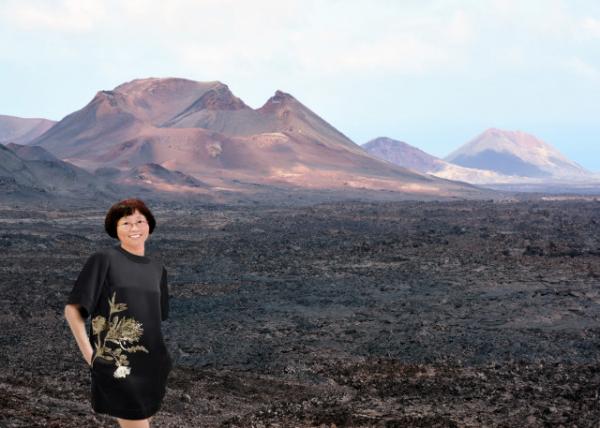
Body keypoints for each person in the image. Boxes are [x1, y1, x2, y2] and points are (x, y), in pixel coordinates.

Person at [64, 198, 172, 428]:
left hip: (152, 365)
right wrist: (91, 356)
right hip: (118, 364)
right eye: (126, 223)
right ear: (115, 229)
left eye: (140, 221)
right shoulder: (104, 260)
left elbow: (154, 318)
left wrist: (164, 360)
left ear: (149, 226)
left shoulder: (157, 268)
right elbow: (73, 309)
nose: (134, 228)